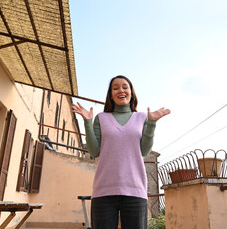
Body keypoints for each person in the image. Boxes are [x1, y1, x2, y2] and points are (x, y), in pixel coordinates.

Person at [71, 75, 170, 229]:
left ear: (131, 92)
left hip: (135, 189)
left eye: (125, 87)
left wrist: (152, 123)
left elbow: (144, 150)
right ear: (110, 95)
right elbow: (94, 151)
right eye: (115, 88)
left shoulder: (142, 117)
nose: (120, 90)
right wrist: (87, 122)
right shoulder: (101, 118)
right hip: (104, 189)